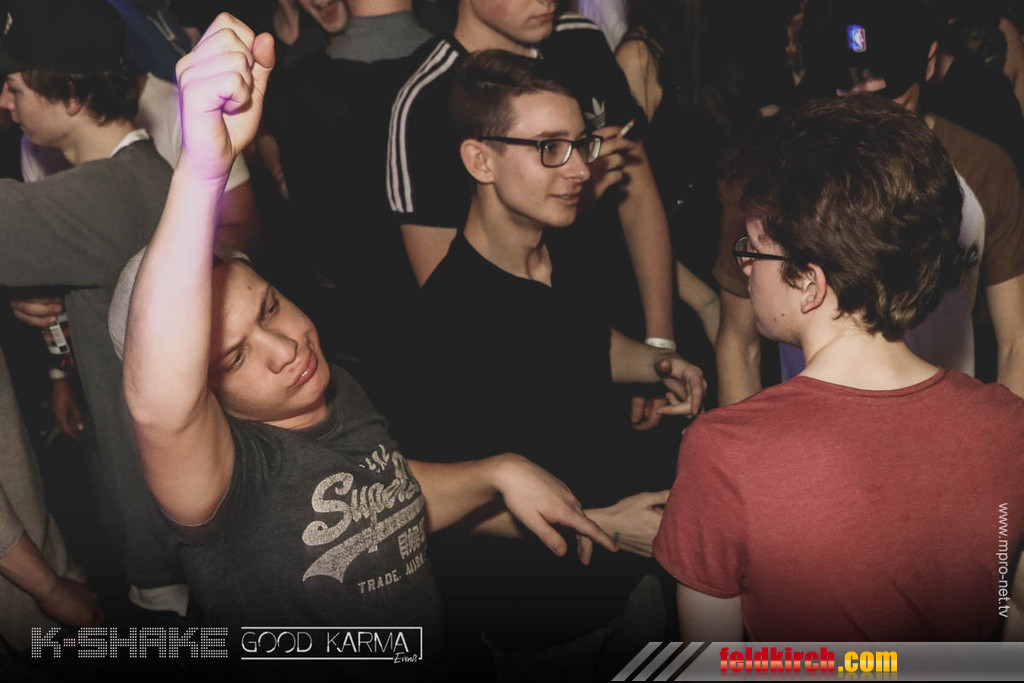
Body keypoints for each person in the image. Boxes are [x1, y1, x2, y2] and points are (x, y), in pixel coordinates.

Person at [120, 13, 617, 661]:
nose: (284, 348)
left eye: (270, 307)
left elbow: (384, 500)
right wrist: (202, 172)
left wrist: (499, 471)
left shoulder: (334, 388)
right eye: (235, 357)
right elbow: (160, 408)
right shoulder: (228, 478)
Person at [654, 94, 1024, 641]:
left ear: (809, 282)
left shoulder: (724, 451)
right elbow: (1009, 616)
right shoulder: (1008, 424)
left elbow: (707, 666)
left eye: (753, 249)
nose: (746, 267)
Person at [402, 50, 705, 676]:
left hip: (628, 580)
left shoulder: (562, 253)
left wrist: (657, 364)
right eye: (549, 148)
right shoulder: (446, 322)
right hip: (543, 619)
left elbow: (579, 343)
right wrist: (605, 526)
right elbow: (435, 505)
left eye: (580, 144)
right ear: (480, 160)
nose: (578, 169)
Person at [713, 0, 1024, 404]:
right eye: (846, 88)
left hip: (945, 427)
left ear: (929, 62)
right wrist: (741, 441)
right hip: (808, 431)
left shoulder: (983, 168)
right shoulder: (769, 174)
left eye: (887, 92)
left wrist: (1003, 438)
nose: (867, 107)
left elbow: (1016, 340)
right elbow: (739, 343)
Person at [0, 0, 183, 615]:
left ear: (71, 95)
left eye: (15, 86)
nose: (5, 101)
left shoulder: (108, 194)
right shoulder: (137, 177)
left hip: (165, 534)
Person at [386, 1, 678, 377]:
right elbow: (457, 305)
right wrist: (576, 193)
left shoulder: (580, 40)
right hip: (528, 359)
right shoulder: (424, 100)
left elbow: (639, 199)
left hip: (619, 321)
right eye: (550, 146)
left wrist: (659, 344)